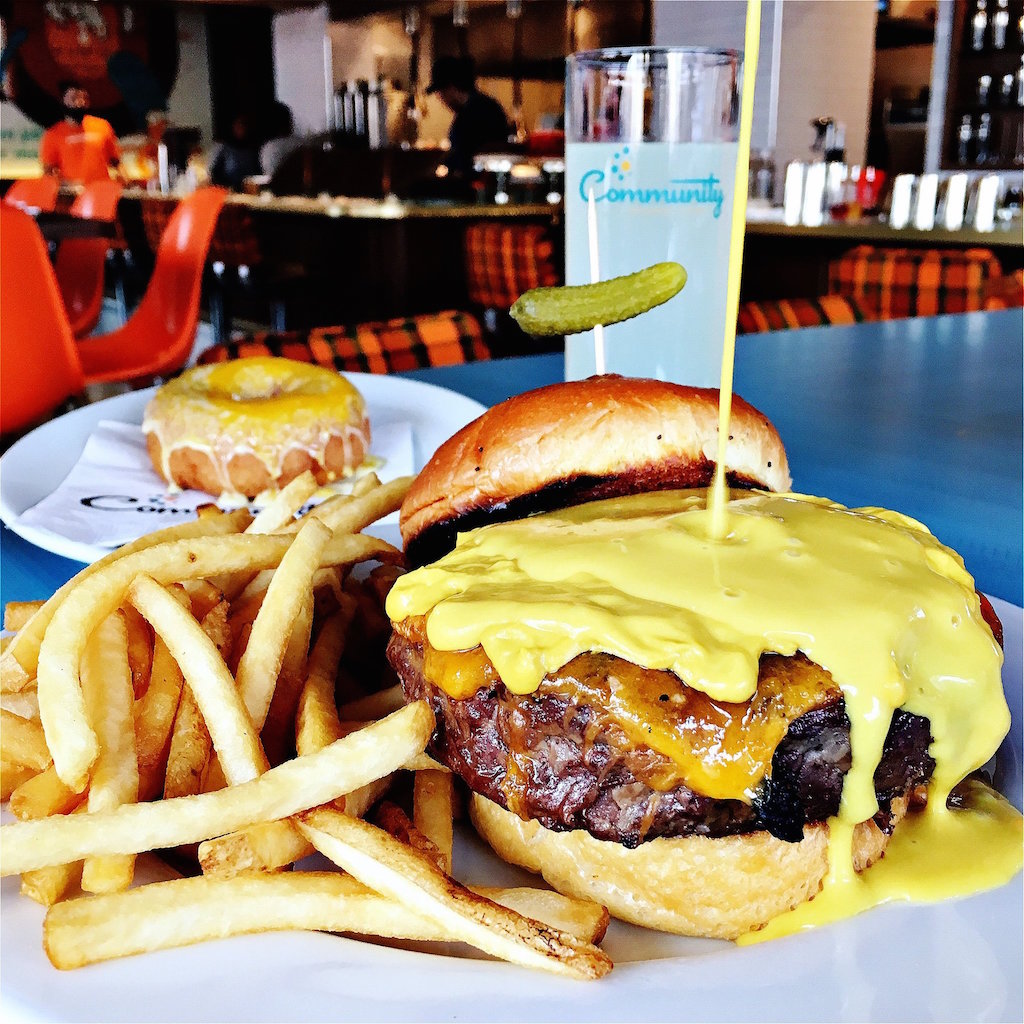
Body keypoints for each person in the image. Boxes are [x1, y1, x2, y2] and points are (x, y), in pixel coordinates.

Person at [426, 56, 510, 177]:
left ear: (451, 88)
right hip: (489, 181)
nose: (441, 100)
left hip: (474, 186)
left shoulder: (470, 115)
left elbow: (464, 156)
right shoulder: (488, 106)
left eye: (440, 93)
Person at [39, 80, 120, 184]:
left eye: (84, 98)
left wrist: (123, 181)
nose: (80, 102)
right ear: (63, 101)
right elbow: (48, 171)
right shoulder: (53, 134)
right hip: (72, 194)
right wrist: (64, 185)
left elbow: (116, 161)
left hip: (102, 192)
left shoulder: (102, 125)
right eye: (74, 98)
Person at [209, 113, 262, 190]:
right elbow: (215, 175)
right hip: (229, 191)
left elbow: (258, 173)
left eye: (244, 126)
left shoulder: (253, 150)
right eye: (238, 126)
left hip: (250, 191)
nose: (241, 129)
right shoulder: (224, 149)